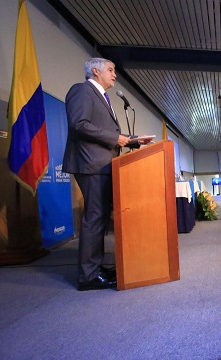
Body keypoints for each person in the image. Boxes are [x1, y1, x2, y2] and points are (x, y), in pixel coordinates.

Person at [63, 58, 150, 291]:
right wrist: (116, 138)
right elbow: (78, 124)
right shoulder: (82, 91)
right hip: (92, 165)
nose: (115, 75)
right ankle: (88, 276)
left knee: (100, 218)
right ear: (95, 71)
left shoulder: (103, 97)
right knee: (94, 218)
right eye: (111, 70)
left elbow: (105, 132)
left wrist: (131, 141)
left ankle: (95, 268)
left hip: (103, 165)